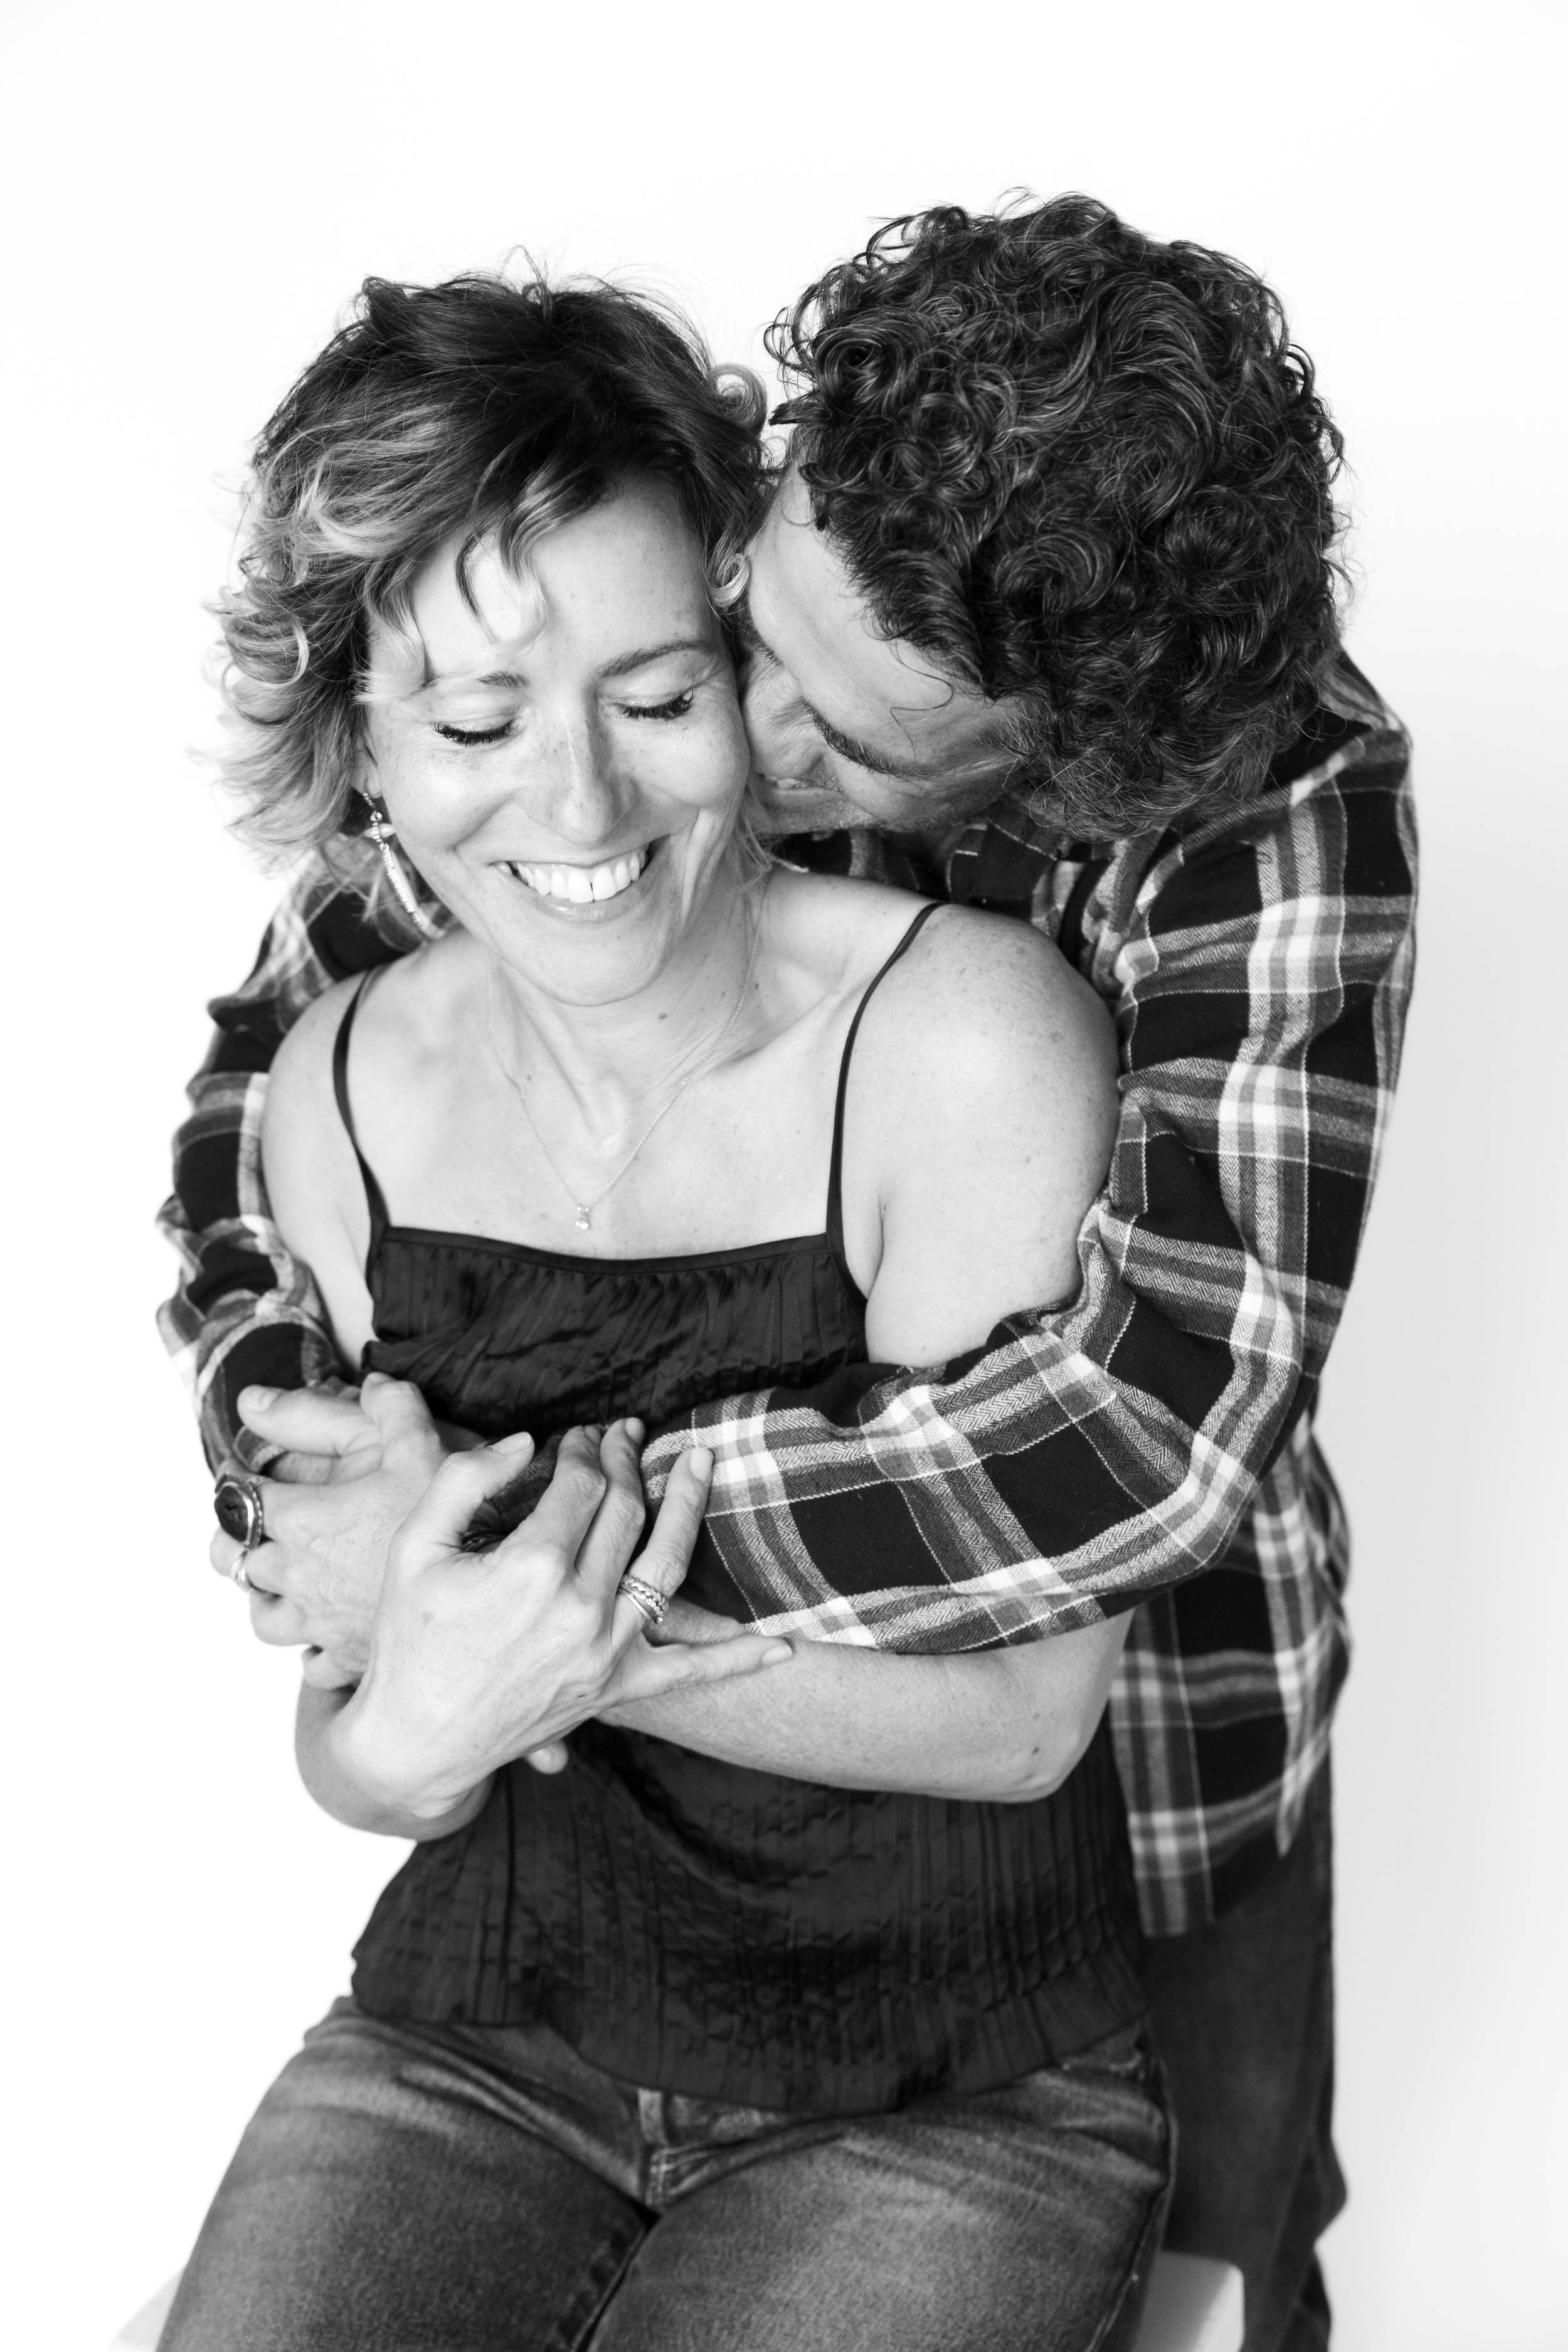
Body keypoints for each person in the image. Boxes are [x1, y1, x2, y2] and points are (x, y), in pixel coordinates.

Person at [162, 199, 1417, 2351]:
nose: (732, 725)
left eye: (850, 735)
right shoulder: (678, 647)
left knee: (1215, 2289)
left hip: (1136, 1796)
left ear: (1064, 768)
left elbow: (1129, 1438)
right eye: (740, 629)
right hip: (582, 1935)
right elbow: (265, 1084)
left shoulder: (1262, 805)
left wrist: (504, 1559)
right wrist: (328, 1493)